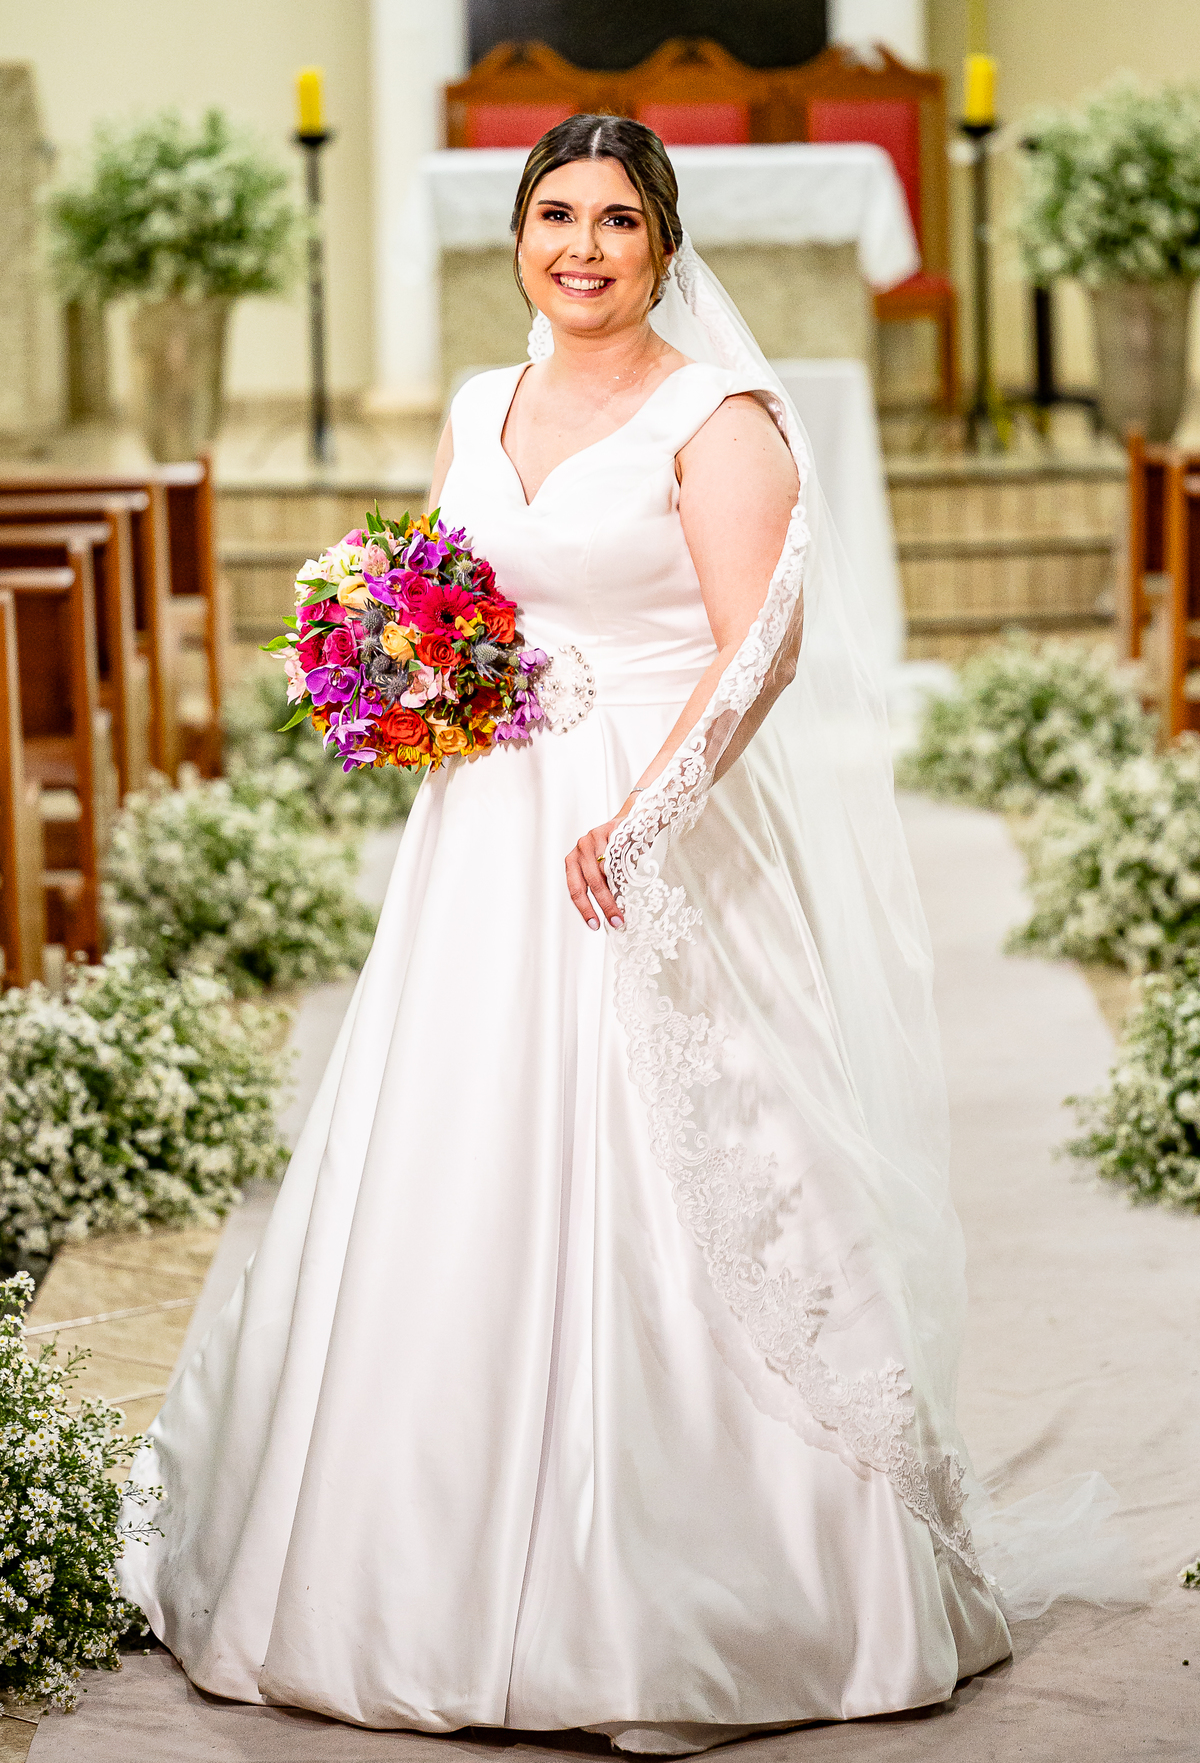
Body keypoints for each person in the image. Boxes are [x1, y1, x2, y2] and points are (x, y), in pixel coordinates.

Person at [119, 116, 1014, 1750]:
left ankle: (748, 1576)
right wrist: (391, 673)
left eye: (615, 219)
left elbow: (763, 653)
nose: (582, 246)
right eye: (555, 216)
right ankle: (409, 1559)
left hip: (652, 824)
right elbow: (442, 581)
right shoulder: (483, 402)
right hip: (490, 822)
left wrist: (645, 822)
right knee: (453, 1152)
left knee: (692, 1169)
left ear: (665, 246)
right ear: (520, 236)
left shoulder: (721, 415)